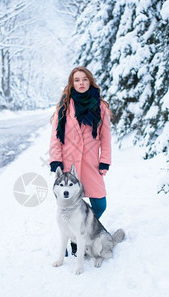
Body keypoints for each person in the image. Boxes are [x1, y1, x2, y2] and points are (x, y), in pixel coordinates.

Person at [49, 66, 112, 256]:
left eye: (84, 79)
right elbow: (55, 138)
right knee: (67, 208)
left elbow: (105, 137)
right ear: (72, 83)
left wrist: (105, 160)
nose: (81, 83)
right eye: (77, 80)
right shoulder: (64, 106)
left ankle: (80, 234)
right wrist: (55, 161)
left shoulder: (100, 106)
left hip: (91, 164)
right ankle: (73, 242)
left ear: (90, 81)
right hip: (69, 167)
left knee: (100, 204)